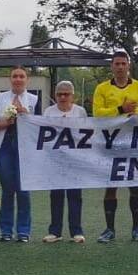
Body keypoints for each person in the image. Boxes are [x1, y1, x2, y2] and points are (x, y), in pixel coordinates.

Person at [92, 50, 138, 242]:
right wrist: (120, 110)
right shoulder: (102, 88)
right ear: (112, 66)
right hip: (110, 144)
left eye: (123, 64)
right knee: (111, 186)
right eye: (116, 64)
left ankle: (137, 229)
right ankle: (109, 229)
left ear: (129, 66)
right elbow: (97, 114)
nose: (120, 67)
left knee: (134, 185)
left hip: (134, 143)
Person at [0, 66, 43, 243]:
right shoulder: (0, 98)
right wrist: (7, 122)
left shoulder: (34, 100)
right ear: (10, 79)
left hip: (25, 148)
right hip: (4, 146)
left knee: (23, 190)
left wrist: (25, 114)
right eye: (15, 76)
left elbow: (40, 126)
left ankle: (23, 231)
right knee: (7, 190)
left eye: (21, 76)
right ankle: (6, 230)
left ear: (26, 79)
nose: (18, 79)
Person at [42, 81, 86, 243]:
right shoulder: (48, 112)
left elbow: (85, 135)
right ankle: (55, 231)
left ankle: (76, 231)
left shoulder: (80, 112)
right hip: (55, 160)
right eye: (59, 94)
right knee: (56, 196)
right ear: (55, 95)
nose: (62, 97)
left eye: (66, 94)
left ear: (72, 96)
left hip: (74, 160)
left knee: (75, 196)